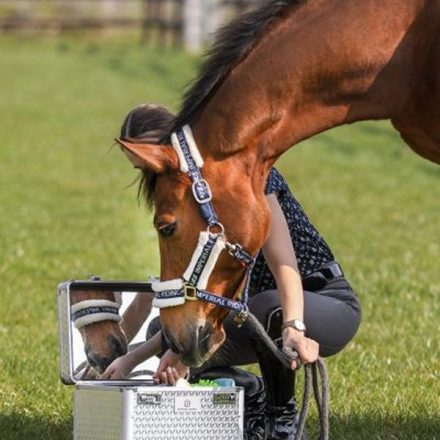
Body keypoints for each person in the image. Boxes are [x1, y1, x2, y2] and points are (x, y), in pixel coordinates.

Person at [102, 104, 362, 440]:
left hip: (316, 300)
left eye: (157, 164)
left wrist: (294, 326)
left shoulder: (250, 178)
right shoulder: (192, 205)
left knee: (266, 307)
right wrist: (132, 357)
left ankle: (281, 420)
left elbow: (285, 263)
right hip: (251, 313)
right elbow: (180, 285)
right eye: (145, 172)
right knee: (170, 330)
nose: (156, 178)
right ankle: (251, 394)